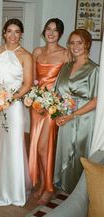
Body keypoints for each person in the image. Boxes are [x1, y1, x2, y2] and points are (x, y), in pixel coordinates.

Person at [0, 18, 32, 206]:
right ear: (4, 33)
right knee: (0, 145)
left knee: (14, 144)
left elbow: (28, 84)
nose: (13, 35)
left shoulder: (26, 55)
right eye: (9, 31)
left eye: (17, 31)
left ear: (21, 34)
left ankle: (15, 190)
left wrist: (9, 99)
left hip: (14, 106)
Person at [29, 18, 70, 205]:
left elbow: (68, 84)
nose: (51, 33)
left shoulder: (65, 54)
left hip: (53, 107)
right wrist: (31, 98)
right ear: (44, 31)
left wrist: (59, 104)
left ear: (60, 34)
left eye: (55, 30)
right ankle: (41, 184)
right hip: (37, 106)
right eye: (48, 29)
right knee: (36, 146)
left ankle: (49, 187)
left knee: (44, 147)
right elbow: (32, 79)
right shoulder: (37, 51)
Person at [54, 28, 99, 194]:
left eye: (79, 42)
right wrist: (58, 113)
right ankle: (65, 186)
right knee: (65, 150)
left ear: (87, 44)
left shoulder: (94, 69)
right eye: (72, 43)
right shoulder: (66, 67)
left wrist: (72, 115)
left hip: (83, 118)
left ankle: (79, 192)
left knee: (79, 153)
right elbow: (58, 93)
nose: (75, 46)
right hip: (65, 115)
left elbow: (96, 100)